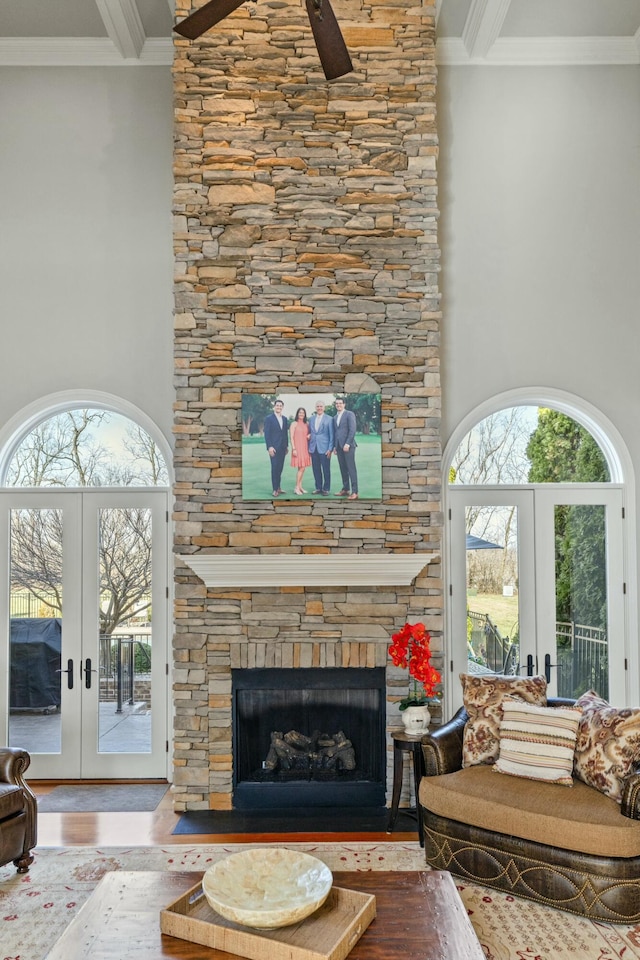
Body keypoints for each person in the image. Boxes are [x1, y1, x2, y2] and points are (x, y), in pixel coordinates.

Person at [333, 397, 358, 500]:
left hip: (349, 446)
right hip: (339, 447)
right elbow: (336, 433)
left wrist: (347, 443)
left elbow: (353, 429)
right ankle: (346, 489)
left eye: (340, 403)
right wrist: (335, 446)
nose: (338, 405)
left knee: (351, 469)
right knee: (343, 469)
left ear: (344, 404)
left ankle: (355, 492)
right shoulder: (335, 417)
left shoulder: (349, 414)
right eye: (337, 403)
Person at [308, 400, 334, 496]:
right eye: (318, 406)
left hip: (325, 449)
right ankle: (318, 487)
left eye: (321, 406)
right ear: (315, 408)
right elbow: (311, 432)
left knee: (326, 469)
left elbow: (332, 435)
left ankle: (326, 489)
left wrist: (330, 449)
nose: (319, 408)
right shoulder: (311, 419)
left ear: (324, 408)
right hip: (314, 448)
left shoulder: (330, 419)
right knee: (316, 469)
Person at [263, 399, 289, 497]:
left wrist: (286, 446)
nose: (279, 407)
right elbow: (267, 434)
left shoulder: (285, 419)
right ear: (274, 407)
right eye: (277, 405)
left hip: (282, 448)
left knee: (280, 468)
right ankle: (274, 489)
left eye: (280, 406)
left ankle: (278, 487)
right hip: (273, 448)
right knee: (274, 468)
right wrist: (269, 447)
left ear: (282, 407)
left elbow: (285, 434)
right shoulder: (269, 418)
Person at [289, 407, 312, 495]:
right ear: (297, 414)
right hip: (297, 448)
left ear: (305, 414)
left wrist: (309, 435)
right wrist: (293, 448)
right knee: (301, 468)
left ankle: (300, 487)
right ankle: (296, 488)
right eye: (300, 413)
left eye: (303, 413)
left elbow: (310, 433)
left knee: (303, 468)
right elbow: (291, 437)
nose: (301, 414)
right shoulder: (294, 424)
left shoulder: (307, 424)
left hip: (305, 448)